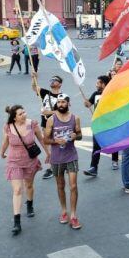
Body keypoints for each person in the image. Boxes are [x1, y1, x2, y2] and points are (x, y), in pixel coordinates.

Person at [0, 105, 49, 235]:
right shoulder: (8, 127)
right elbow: (5, 141)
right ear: (14, 117)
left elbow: (41, 139)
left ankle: (29, 204)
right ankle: (17, 222)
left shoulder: (32, 124)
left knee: (29, 185)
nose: (24, 115)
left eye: (24, 112)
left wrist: (48, 154)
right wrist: (2, 152)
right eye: (21, 114)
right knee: (17, 190)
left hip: (30, 160)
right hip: (14, 161)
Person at [43, 94, 83, 230]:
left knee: (73, 186)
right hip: (57, 158)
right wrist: (56, 141)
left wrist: (75, 136)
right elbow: (45, 139)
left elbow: (80, 135)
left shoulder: (75, 118)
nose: (60, 104)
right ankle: (64, 211)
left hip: (71, 156)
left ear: (68, 103)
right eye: (59, 102)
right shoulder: (51, 120)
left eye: (63, 102)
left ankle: (73, 215)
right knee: (60, 185)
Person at [83, 76, 119, 176]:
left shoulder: (112, 95)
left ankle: (115, 160)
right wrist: (86, 103)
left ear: (103, 84)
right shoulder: (95, 94)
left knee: (113, 143)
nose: (96, 85)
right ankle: (93, 168)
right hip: (98, 124)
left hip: (110, 124)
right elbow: (89, 104)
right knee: (96, 146)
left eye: (98, 83)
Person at [32, 75, 63, 179]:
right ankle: (54, 164)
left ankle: (52, 168)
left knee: (54, 144)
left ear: (60, 84)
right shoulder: (45, 93)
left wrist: (48, 112)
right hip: (45, 122)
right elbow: (34, 87)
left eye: (55, 80)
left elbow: (64, 111)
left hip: (56, 123)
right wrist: (34, 77)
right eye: (51, 80)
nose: (52, 81)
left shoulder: (62, 96)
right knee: (47, 143)